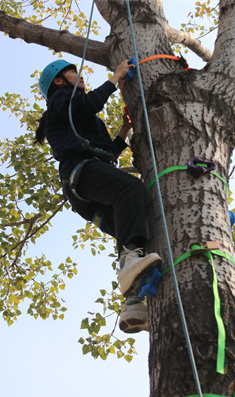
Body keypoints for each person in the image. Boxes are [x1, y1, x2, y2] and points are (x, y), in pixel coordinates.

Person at [34, 59, 161, 333]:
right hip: (80, 173)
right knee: (130, 189)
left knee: (139, 228)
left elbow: (109, 155)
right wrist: (116, 77)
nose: (79, 75)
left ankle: (134, 303)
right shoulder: (61, 101)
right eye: (72, 72)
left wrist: (124, 131)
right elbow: (86, 104)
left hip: (88, 192)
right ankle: (129, 263)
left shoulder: (88, 120)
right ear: (58, 81)